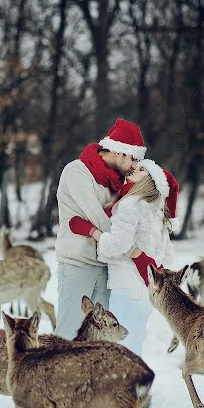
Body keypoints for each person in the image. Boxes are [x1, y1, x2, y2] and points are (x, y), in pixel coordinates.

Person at [69, 159, 179, 358]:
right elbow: (167, 255)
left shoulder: (130, 204)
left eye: (143, 169)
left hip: (126, 288)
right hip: (145, 294)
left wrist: (90, 230)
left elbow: (115, 245)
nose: (135, 168)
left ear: (152, 181)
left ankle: (129, 388)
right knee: (132, 351)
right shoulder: (157, 210)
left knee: (122, 356)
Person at [54, 118, 152, 339]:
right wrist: (135, 253)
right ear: (119, 153)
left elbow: (123, 219)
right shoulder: (76, 172)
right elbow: (99, 219)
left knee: (101, 338)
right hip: (77, 264)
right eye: (133, 159)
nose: (135, 165)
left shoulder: (118, 181)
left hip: (106, 265)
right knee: (68, 335)